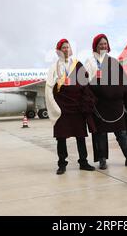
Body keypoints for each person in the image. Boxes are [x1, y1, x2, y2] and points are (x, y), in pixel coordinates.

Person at [85, 34, 127, 170]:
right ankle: (102, 159)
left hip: (116, 105)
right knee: (101, 134)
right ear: (95, 46)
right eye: (101, 44)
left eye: (105, 44)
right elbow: (86, 83)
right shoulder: (90, 62)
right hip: (100, 105)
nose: (103, 46)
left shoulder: (114, 62)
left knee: (122, 132)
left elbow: (123, 82)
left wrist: (125, 98)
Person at [45, 38, 96, 175]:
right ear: (59, 51)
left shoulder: (77, 64)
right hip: (62, 108)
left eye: (67, 47)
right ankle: (62, 164)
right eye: (63, 48)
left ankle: (83, 162)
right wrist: (54, 107)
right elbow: (49, 87)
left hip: (77, 107)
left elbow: (85, 84)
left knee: (80, 136)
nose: (66, 50)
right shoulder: (54, 67)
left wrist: (86, 102)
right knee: (61, 137)